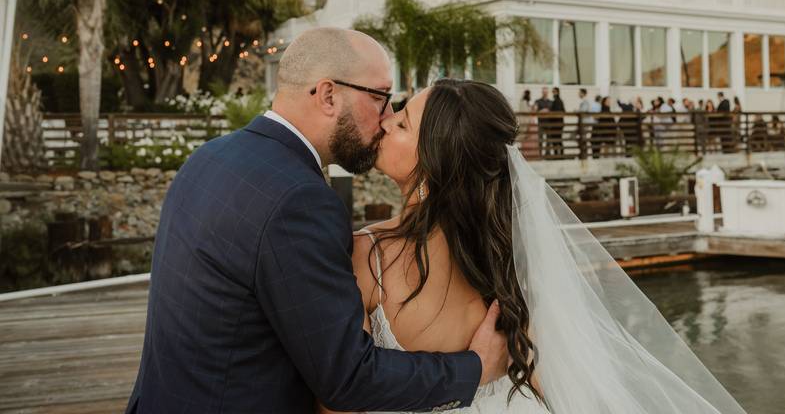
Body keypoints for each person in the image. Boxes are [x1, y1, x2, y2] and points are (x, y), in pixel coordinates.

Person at [125, 29, 507, 414]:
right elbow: (347, 377)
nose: (387, 117)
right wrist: (473, 370)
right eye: (379, 97)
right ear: (328, 95)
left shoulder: (207, 157)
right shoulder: (300, 200)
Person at [352, 79, 746, 413]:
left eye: (402, 123)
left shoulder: (367, 257)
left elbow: (340, 396)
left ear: (433, 161)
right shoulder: (509, 259)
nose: (386, 123)